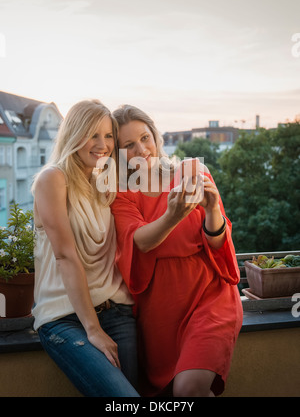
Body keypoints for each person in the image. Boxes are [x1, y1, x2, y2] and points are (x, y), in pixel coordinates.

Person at [110, 104, 243, 397]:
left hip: (209, 296)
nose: (141, 149)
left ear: (156, 137)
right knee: (177, 393)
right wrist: (173, 215)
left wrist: (212, 212)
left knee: (189, 388)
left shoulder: (192, 170)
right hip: (161, 310)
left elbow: (219, 242)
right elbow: (138, 241)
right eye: (128, 145)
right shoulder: (120, 193)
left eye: (145, 138)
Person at [31, 99, 140, 397]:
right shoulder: (52, 179)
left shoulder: (106, 180)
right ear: (74, 133)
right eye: (93, 134)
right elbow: (65, 256)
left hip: (117, 311)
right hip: (65, 317)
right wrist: (93, 329)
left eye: (107, 136)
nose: (102, 144)